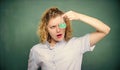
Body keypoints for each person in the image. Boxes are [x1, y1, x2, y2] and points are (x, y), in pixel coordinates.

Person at [28, 7, 110, 70]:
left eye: (61, 25)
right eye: (53, 27)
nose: (58, 30)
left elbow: (105, 30)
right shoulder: (36, 50)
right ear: (46, 29)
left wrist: (79, 16)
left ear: (66, 25)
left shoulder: (77, 44)